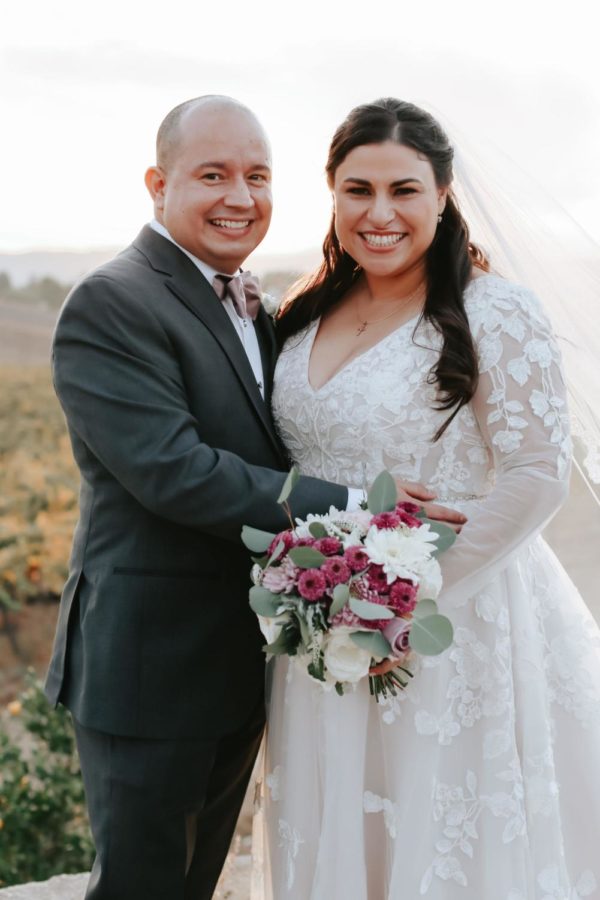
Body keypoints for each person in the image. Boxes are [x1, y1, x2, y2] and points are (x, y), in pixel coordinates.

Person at [44, 95, 463, 900]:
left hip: (243, 663)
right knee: (142, 886)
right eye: (213, 175)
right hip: (150, 666)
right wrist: (351, 505)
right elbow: (175, 471)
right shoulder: (113, 301)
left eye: (258, 176)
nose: (240, 197)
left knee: (192, 885)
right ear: (157, 184)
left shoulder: (254, 304)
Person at [259, 98, 600, 899]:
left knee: (443, 835)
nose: (379, 214)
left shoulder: (495, 310)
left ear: (444, 194)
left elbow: (536, 473)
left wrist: (401, 599)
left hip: (450, 623)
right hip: (320, 624)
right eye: (357, 190)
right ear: (332, 194)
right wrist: (334, 603)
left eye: (404, 190)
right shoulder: (302, 313)